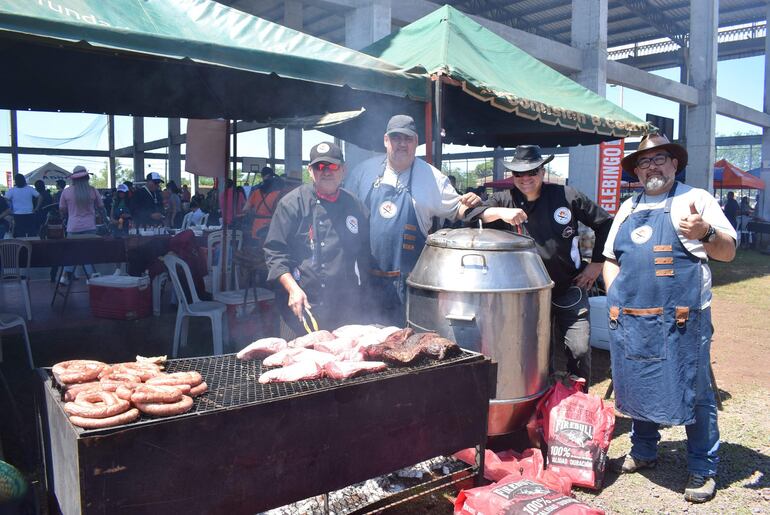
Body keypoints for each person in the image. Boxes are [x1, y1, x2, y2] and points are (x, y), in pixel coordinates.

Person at [602, 134, 736, 504]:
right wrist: (614, 295)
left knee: (694, 389)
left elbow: (728, 252)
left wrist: (705, 232)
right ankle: (644, 450)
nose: (652, 167)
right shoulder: (628, 207)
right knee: (638, 379)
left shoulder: (695, 199)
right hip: (633, 315)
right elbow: (611, 256)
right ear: (637, 171)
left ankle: (702, 466)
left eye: (659, 158)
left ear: (675, 163)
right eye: (644, 162)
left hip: (682, 319)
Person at [465, 145, 612, 384]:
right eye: (518, 174)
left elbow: (605, 223)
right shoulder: (504, 199)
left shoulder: (567, 195)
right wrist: (498, 212)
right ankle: (542, 404)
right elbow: (471, 216)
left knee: (579, 347)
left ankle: (576, 405)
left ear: (542, 171)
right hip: (526, 293)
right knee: (537, 354)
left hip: (568, 286)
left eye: (531, 172)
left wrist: (596, 264)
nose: (525, 178)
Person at [345, 114, 480, 326]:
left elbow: (460, 210)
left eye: (407, 139)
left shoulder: (432, 178)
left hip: (410, 284)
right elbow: (345, 213)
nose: (402, 143)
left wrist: (481, 205)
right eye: (396, 138)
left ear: (416, 142)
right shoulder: (363, 172)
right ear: (386, 140)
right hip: (366, 280)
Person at [264, 142, 371, 340]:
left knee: (343, 364)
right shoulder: (291, 204)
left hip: (344, 307)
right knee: (296, 364)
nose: (326, 172)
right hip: (300, 307)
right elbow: (274, 253)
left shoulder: (356, 207)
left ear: (343, 170)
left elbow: (365, 256)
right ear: (310, 171)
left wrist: (365, 298)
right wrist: (293, 289)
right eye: (319, 167)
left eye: (332, 166)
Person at [58, 166, 105, 284]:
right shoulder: (93, 190)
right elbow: (101, 207)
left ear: (73, 179)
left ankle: (65, 277)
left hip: (73, 227)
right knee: (87, 253)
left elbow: (62, 209)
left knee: (71, 253)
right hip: (90, 227)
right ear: (87, 177)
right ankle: (91, 277)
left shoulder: (67, 191)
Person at [243, 166, 287, 243]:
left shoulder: (256, 191)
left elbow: (245, 209)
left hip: (257, 227)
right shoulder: (278, 193)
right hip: (272, 226)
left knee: (257, 251)